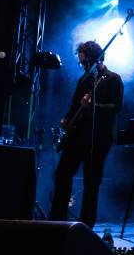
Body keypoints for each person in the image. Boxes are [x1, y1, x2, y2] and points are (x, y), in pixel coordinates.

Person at [50, 41, 123, 229]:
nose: (83, 66)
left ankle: (85, 227)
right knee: (62, 173)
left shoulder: (113, 79)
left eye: (85, 62)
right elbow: (75, 105)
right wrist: (66, 118)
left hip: (98, 138)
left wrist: (94, 106)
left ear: (95, 59)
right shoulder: (84, 80)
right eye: (81, 63)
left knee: (92, 183)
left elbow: (116, 108)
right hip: (77, 136)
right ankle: (56, 221)